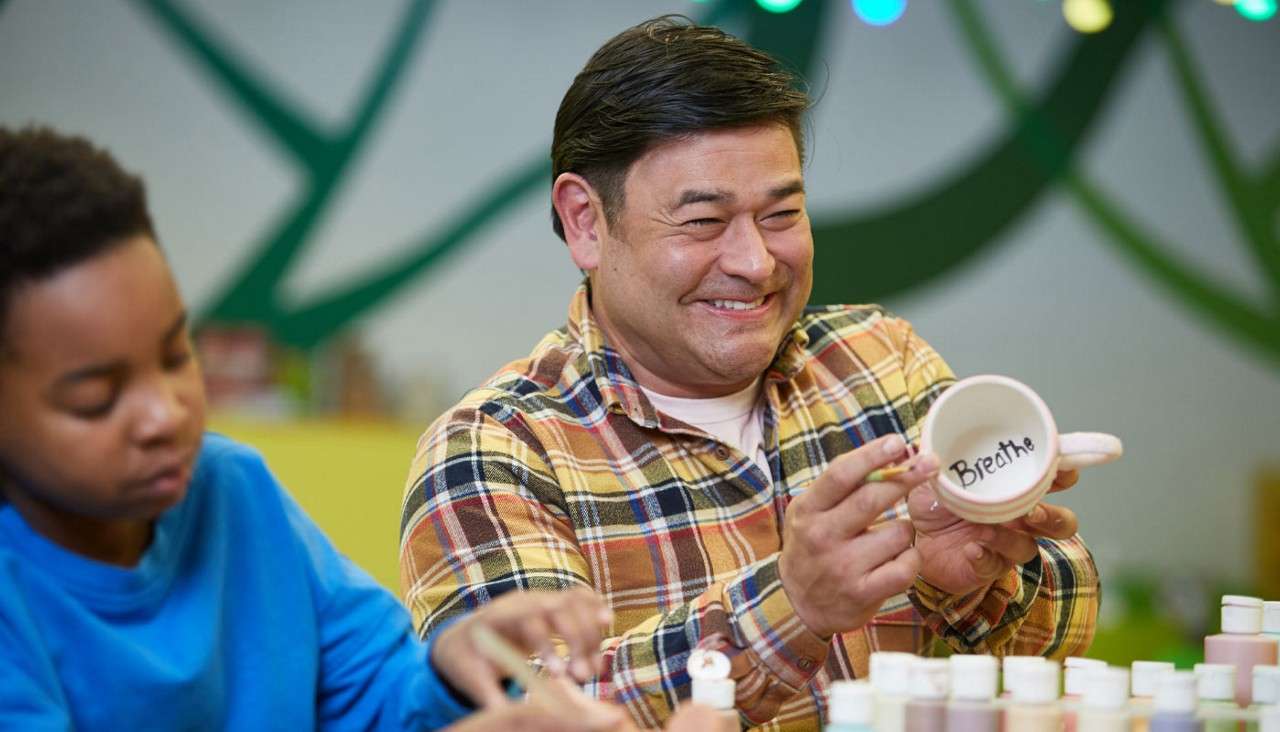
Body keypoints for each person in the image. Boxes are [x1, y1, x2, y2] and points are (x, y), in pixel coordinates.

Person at [399, 15, 1099, 731]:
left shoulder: (879, 359)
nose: (756, 262)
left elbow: (1065, 634)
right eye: (704, 222)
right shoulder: (496, 449)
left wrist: (970, 575)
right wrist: (792, 607)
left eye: (782, 214)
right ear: (585, 221)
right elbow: (528, 712)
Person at [0, 125, 711, 732]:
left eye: (174, 356)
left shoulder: (232, 491)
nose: (164, 414)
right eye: (96, 399)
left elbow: (377, 690)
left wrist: (454, 671)